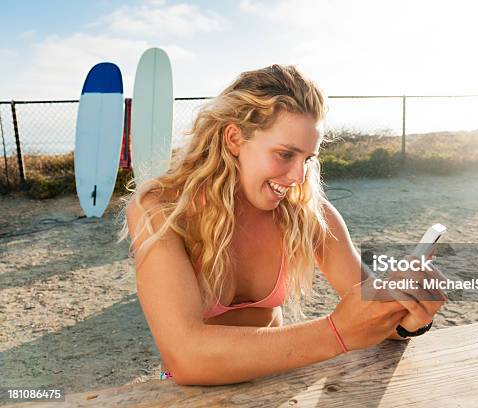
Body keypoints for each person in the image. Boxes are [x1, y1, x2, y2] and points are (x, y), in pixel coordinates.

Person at [118, 64, 446, 385]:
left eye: (307, 159)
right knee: (160, 381)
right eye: (285, 155)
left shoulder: (307, 212)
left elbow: (372, 314)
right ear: (234, 139)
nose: (299, 177)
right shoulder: (161, 208)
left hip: (274, 380)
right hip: (175, 381)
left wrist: (408, 318)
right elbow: (184, 358)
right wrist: (335, 332)